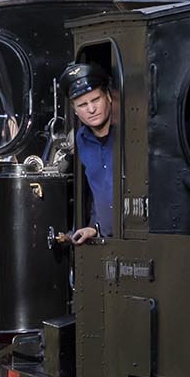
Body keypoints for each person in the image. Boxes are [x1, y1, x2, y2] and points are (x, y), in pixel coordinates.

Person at [64, 64, 117, 244]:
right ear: (75, 111)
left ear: (108, 97)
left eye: (95, 100)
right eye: (83, 105)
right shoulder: (81, 140)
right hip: (105, 241)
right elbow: (98, 188)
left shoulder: (129, 135)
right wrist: (94, 227)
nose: (91, 109)